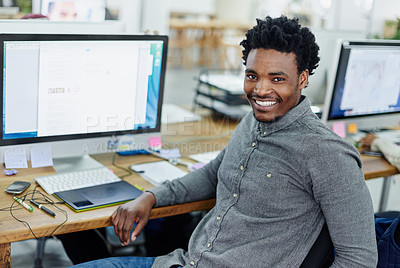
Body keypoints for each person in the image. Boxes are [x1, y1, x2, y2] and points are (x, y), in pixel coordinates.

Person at [73, 15, 378, 267]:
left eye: (277, 78)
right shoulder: (253, 121)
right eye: (252, 75)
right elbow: (211, 174)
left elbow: (359, 259)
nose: (260, 90)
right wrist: (150, 197)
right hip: (184, 261)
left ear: (302, 78)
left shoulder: (327, 154)